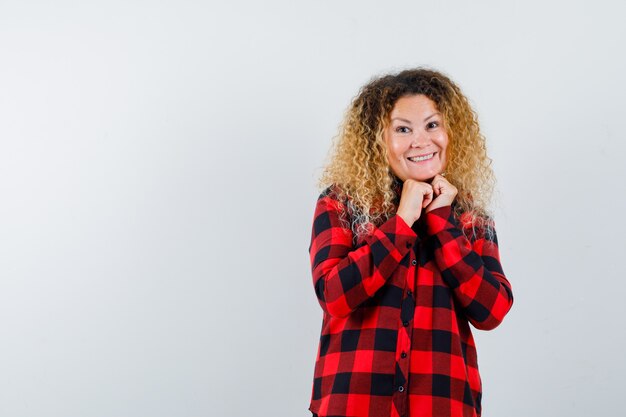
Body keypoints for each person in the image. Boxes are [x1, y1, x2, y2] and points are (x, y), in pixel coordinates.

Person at [307, 68, 514, 417]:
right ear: (377, 139)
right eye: (403, 129)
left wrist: (442, 223)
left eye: (432, 125)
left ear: (451, 132)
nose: (421, 140)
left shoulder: (469, 216)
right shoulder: (340, 204)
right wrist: (401, 222)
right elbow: (334, 296)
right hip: (354, 406)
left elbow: (491, 310)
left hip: (441, 406)